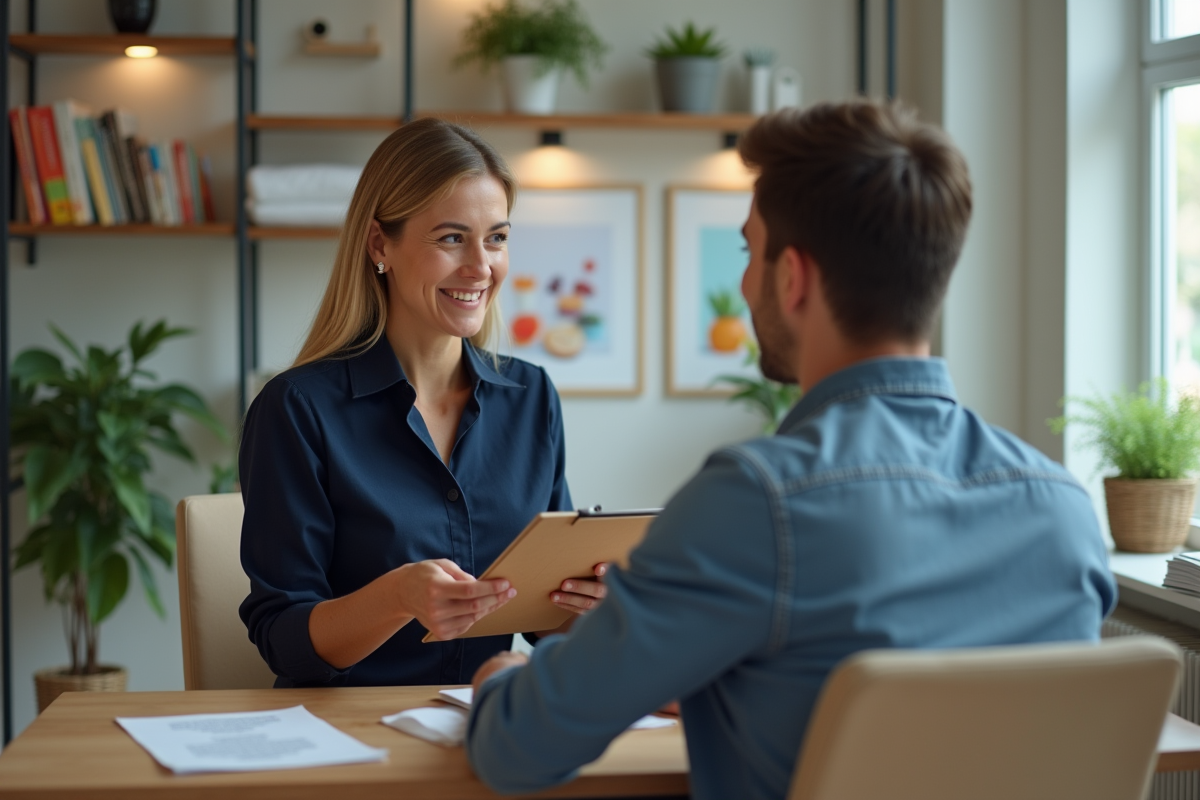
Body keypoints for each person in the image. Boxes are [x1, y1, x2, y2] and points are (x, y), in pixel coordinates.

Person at [464, 101, 1116, 800]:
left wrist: (500, 677)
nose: (744, 283)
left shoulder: (757, 501)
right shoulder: (1064, 512)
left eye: (750, 252)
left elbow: (517, 747)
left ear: (793, 278)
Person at [238, 118, 605, 689]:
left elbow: (543, 619)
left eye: (497, 238)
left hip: (484, 719)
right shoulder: (297, 409)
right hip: (347, 729)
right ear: (380, 244)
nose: (481, 266)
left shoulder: (531, 399)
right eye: (452, 238)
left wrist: (589, 603)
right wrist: (397, 597)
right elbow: (284, 641)